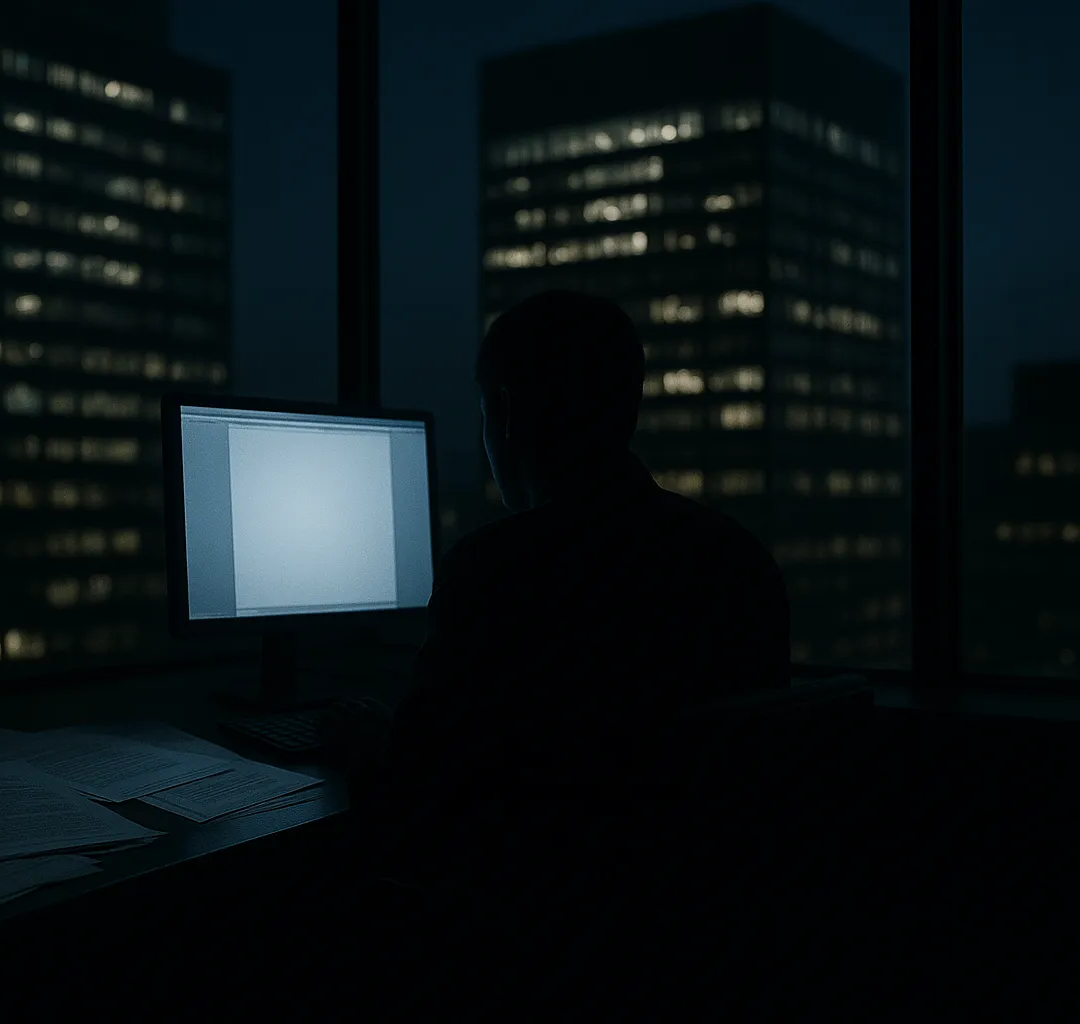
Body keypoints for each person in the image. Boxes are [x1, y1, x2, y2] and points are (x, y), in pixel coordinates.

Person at [321, 288, 792, 865]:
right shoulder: (737, 557)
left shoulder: (495, 568)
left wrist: (369, 744)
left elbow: (414, 798)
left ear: (509, 414)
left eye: (484, 413)